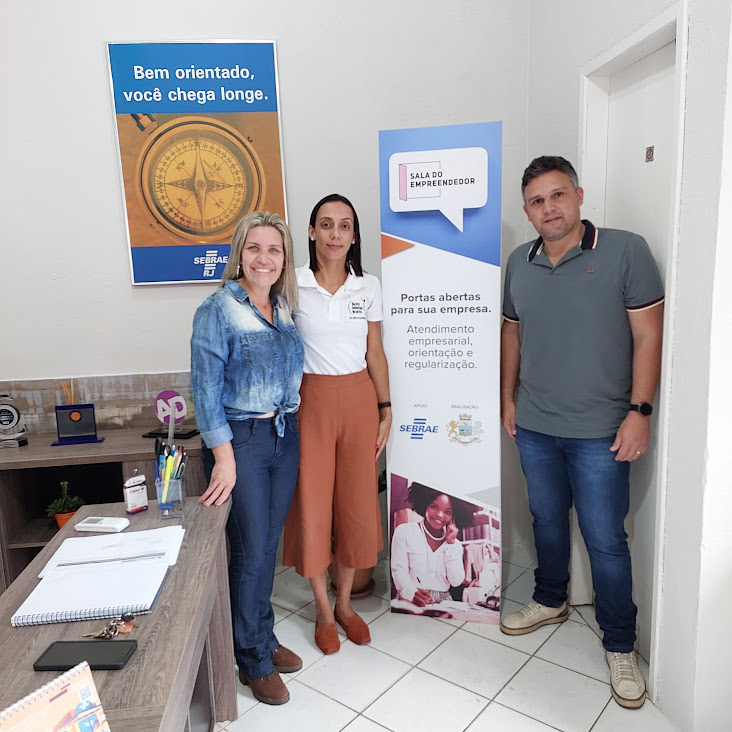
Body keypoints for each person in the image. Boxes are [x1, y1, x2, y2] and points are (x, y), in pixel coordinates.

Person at [500, 156, 664, 709]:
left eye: (558, 195)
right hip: (535, 424)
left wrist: (641, 411)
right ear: (527, 210)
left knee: (605, 539)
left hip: (601, 430)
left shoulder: (625, 250)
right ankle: (551, 598)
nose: (549, 208)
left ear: (578, 195)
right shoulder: (519, 262)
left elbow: (648, 336)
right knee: (545, 519)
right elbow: (512, 333)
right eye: (537, 201)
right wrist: (507, 397)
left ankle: (620, 643)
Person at [191, 211, 304, 706]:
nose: (264, 258)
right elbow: (204, 390)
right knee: (250, 551)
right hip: (241, 440)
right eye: (254, 247)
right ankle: (252, 659)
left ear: (284, 259)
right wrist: (224, 457)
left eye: (274, 249)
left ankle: (263, 635)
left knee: (267, 546)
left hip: (284, 434)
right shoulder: (217, 310)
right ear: (239, 253)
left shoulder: (282, 307)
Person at [283, 193, 391, 655]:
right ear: (311, 232)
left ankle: (346, 605)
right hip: (310, 403)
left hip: (359, 401)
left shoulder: (368, 286)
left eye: (345, 225)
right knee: (312, 505)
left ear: (354, 235)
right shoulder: (292, 284)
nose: (335, 234)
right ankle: (323, 612)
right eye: (326, 224)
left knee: (356, 504)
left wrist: (386, 408)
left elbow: (375, 352)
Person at [391, 483, 470, 607]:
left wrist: (450, 544)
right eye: (434, 507)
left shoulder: (455, 545)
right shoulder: (404, 532)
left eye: (448, 512)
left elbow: (456, 581)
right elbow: (398, 571)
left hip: (444, 603)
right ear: (425, 504)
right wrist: (411, 593)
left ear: (453, 517)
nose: (440, 515)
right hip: (410, 597)